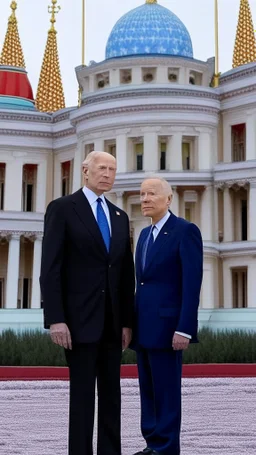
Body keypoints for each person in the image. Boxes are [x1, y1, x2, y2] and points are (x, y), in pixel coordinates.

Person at [40, 151, 135, 455]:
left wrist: (126, 321)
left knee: (112, 397)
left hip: (112, 323)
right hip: (77, 323)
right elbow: (50, 268)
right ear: (85, 171)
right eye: (102, 168)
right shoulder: (63, 209)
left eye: (113, 169)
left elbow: (124, 274)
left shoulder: (120, 217)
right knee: (82, 398)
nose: (107, 174)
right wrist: (56, 318)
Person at [133, 177, 203, 455]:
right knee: (147, 391)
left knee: (166, 391)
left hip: (169, 327)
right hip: (143, 326)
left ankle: (167, 447)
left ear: (169, 199)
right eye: (142, 195)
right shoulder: (143, 235)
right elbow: (142, 283)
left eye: (151, 194)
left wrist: (185, 328)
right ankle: (152, 443)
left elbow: (192, 283)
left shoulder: (185, 231)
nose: (145, 199)